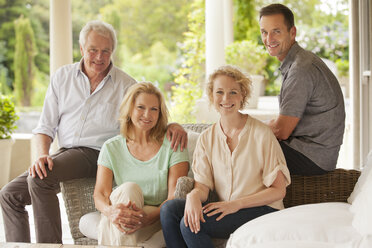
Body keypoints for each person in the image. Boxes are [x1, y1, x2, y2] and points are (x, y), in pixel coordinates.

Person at [0, 20, 186, 244]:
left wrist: (174, 126)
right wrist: (41, 155)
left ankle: (47, 246)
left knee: (41, 179)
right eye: (93, 50)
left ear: (112, 52)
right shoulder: (62, 78)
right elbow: (44, 128)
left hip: (97, 154)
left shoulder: (125, 84)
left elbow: (147, 115)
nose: (99, 57)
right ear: (81, 49)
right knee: (9, 195)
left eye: (105, 51)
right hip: (64, 153)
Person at [160, 65, 291, 248]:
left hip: (262, 209)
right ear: (212, 97)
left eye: (233, 92)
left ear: (242, 96)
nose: (226, 99)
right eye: (219, 92)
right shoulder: (207, 138)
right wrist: (193, 197)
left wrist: (236, 204)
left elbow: (278, 190)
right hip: (229, 210)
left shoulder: (261, 134)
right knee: (169, 210)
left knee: (189, 226)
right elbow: (203, 187)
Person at [91, 82, 189, 246]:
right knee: (129, 190)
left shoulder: (173, 145)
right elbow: (100, 194)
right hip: (119, 209)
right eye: (140, 107)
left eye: (154, 109)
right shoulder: (111, 147)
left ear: (160, 113)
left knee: (121, 222)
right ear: (129, 110)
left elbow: (174, 196)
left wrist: (147, 219)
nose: (147, 115)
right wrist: (111, 211)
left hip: (156, 214)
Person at [259, 4, 345, 176]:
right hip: (312, 152)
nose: (269, 39)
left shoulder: (300, 69)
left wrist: (244, 130)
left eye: (276, 31)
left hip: (312, 157)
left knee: (244, 151)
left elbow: (281, 131)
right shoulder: (299, 61)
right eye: (264, 32)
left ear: (292, 32)